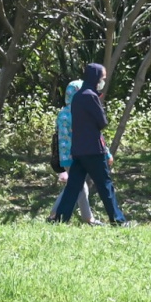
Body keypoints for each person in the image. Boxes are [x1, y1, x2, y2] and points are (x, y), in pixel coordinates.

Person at [52, 63, 129, 226]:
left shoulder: (78, 97)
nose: (103, 81)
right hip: (94, 149)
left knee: (73, 187)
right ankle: (118, 221)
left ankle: (59, 219)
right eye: (102, 78)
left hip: (78, 151)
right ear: (95, 77)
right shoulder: (91, 96)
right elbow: (102, 122)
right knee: (105, 186)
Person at [48, 79, 98, 225]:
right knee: (78, 185)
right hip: (76, 155)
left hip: (66, 156)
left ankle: (57, 215)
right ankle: (85, 219)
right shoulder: (78, 113)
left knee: (79, 185)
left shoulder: (63, 113)